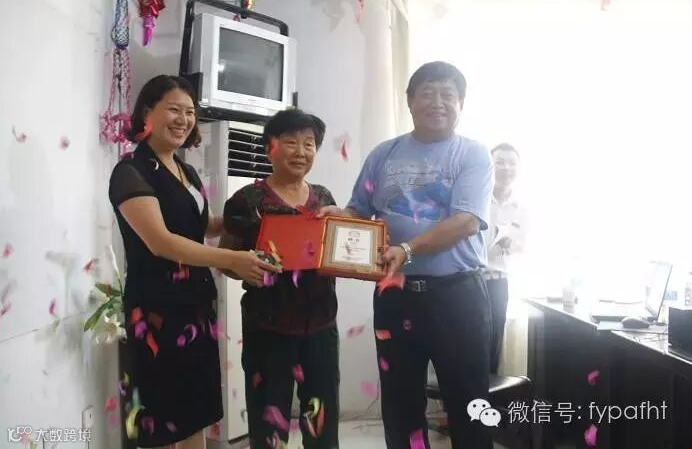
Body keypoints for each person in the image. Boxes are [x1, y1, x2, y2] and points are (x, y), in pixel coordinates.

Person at [319, 61, 494, 448]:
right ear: (410, 101)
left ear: (461, 104)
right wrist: (339, 218)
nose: (438, 102)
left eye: (448, 95)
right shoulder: (384, 154)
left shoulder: (473, 154)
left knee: (468, 401)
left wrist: (408, 249)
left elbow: (466, 221)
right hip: (395, 296)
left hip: (457, 296)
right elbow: (359, 210)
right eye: (427, 93)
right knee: (400, 403)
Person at [108, 75, 279, 449]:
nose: (184, 119)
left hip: (196, 307)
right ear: (147, 112)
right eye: (174, 109)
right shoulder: (130, 171)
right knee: (163, 414)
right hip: (157, 311)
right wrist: (232, 258)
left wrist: (257, 217)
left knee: (196, 410)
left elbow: (203, 225)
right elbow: (161, 242)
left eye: (190, 112)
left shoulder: (184, 170)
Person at [219, 109, 340, 449]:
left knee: (322, 421)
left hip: (321, 325)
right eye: (291, 142)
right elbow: (226, 259)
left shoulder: (324, 199)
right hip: (267, 327)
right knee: (268, 422)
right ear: (269, 148)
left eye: (309, 144)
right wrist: (248, 270)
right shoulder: (247, 201)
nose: (301, 152)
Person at [485, 143, 528, 374]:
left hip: (499, 282)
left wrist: (509, 242)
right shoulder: (478, 198)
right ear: (490, 166)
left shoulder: (521, 207)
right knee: (467, 339)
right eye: (500, 162)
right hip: (471, 279)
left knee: (494, 341)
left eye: (512, 163)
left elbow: (522, 245)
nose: (506, 168)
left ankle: (488, 392)